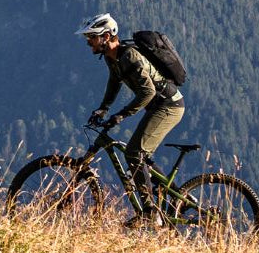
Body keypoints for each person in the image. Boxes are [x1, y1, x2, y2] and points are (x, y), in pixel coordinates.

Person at [76, 13, 185, 227]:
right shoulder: (112, 57)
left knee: (134, 152)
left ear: (106, 36)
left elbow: (148, 92)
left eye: (92, 37)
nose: (88, 42)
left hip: (169, 105)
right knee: (142, 157)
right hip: (158, 106)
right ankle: (175, 197)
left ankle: (150, 212)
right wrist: (103, 109)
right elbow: (114, 82)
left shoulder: (129, 56)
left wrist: (121, 115)